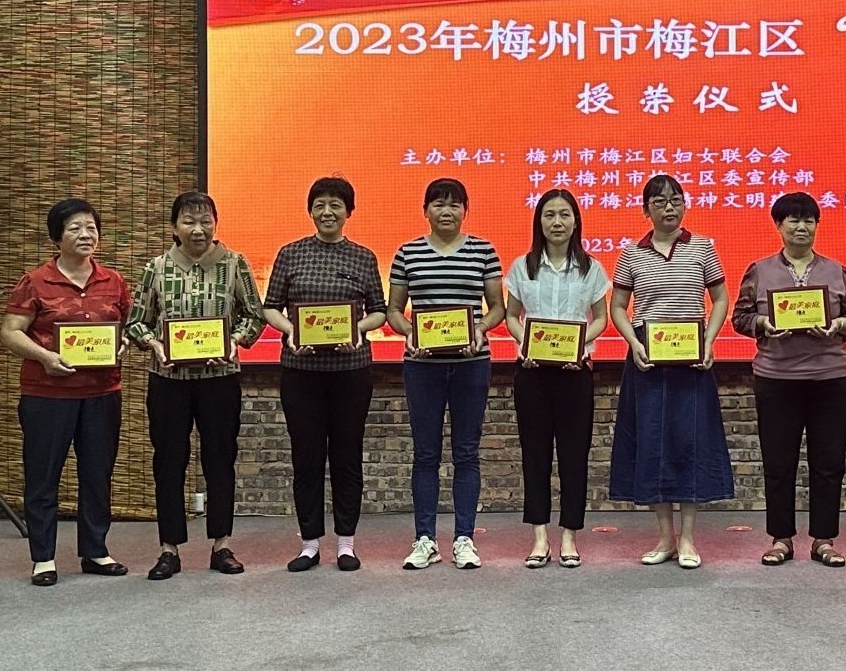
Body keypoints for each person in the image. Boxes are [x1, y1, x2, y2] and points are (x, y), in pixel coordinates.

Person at [125, 189, 264, 580]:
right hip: (169, 380)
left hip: (219, 380)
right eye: (189, 221)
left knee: (220, 459)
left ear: (216, 224)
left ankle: (221, 544)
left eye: (206, 221)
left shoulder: (235, 264)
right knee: (169, 461)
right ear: (174, 226)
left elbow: (254, 316)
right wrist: (154, 344)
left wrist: (235, 341)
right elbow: (136, 322)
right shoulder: (157, 267)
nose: (198, 229)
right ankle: (168, 549)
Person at [259, 176, 388, 573]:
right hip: (301, 373)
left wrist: (357, 330)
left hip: (350, 372)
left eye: (336, 204)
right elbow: (271, 307)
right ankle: (310, 544)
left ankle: (346, 543)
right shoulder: (290, 254)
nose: (327, 212)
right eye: (320, 205)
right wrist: (291, 331)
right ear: (310, 211)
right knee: (307, 458)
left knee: (347, 456)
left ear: (349, 211)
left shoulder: (363, 257)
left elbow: (379, 311)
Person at [0, 199, 130, 586]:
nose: (85, 235)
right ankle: (43, 557)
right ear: (57, 236)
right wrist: (45, 357)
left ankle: (95, 551)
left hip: (102, 393)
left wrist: (121, 344)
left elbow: (127, 326)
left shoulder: (114, 281)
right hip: (47, 394)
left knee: (97, 474)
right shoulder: (35, 281)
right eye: (74, 228)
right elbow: (10, 332)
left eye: (91, 227)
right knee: (43, 475)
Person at [731, 192, 846, 567]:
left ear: (817, 225)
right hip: (776, 378)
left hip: (830, 377)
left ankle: (824, 539)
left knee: (828, 463)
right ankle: (781, 538)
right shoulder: (759, 270)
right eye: (793, 220)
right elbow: (740, 317)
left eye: (809, 220)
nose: (801, 226)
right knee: (778, 462)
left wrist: (838, 325)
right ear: (779, 225)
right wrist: (763, 323)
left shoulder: (836, 271)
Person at [608, 174, 734, 569]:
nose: (669, 207)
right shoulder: (631, 254)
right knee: (653, 447)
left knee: (690, 446)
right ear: (645, 209)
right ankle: (665, 538)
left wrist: (709, 341)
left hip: (692, 360)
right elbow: (617, 306)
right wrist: (634, 342)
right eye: (660, 201)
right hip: (648, 360)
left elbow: (720, 299)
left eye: (676, 200)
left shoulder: (703, 248)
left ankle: (689, 540)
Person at [385, 178, 505, 570]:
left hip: (472, 363)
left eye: (454, 204)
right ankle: (425, 539)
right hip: (423, 366)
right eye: (438, 204)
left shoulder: (483, 250)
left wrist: (480, 329)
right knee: (425, 454)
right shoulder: (408, 253)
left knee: (466, 453)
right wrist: (410, 334)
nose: (446, 211)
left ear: (465, 210)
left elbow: (497, 307)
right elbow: (394, 311)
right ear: (426, 211)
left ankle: (464, 539)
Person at [503, 188, 609, 568]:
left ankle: (569, 537)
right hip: (532, 373)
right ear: (539, 222)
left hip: (574, 373)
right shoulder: (523, 266)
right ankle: (539, 537)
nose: (557, 222)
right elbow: (512, 316)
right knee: (534, 455)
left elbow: (601, 318)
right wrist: (525, 343)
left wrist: (580, 346)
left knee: (573, 455)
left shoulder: (591, 268)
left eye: (564, 214)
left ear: (576, 221)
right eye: (549, 215)